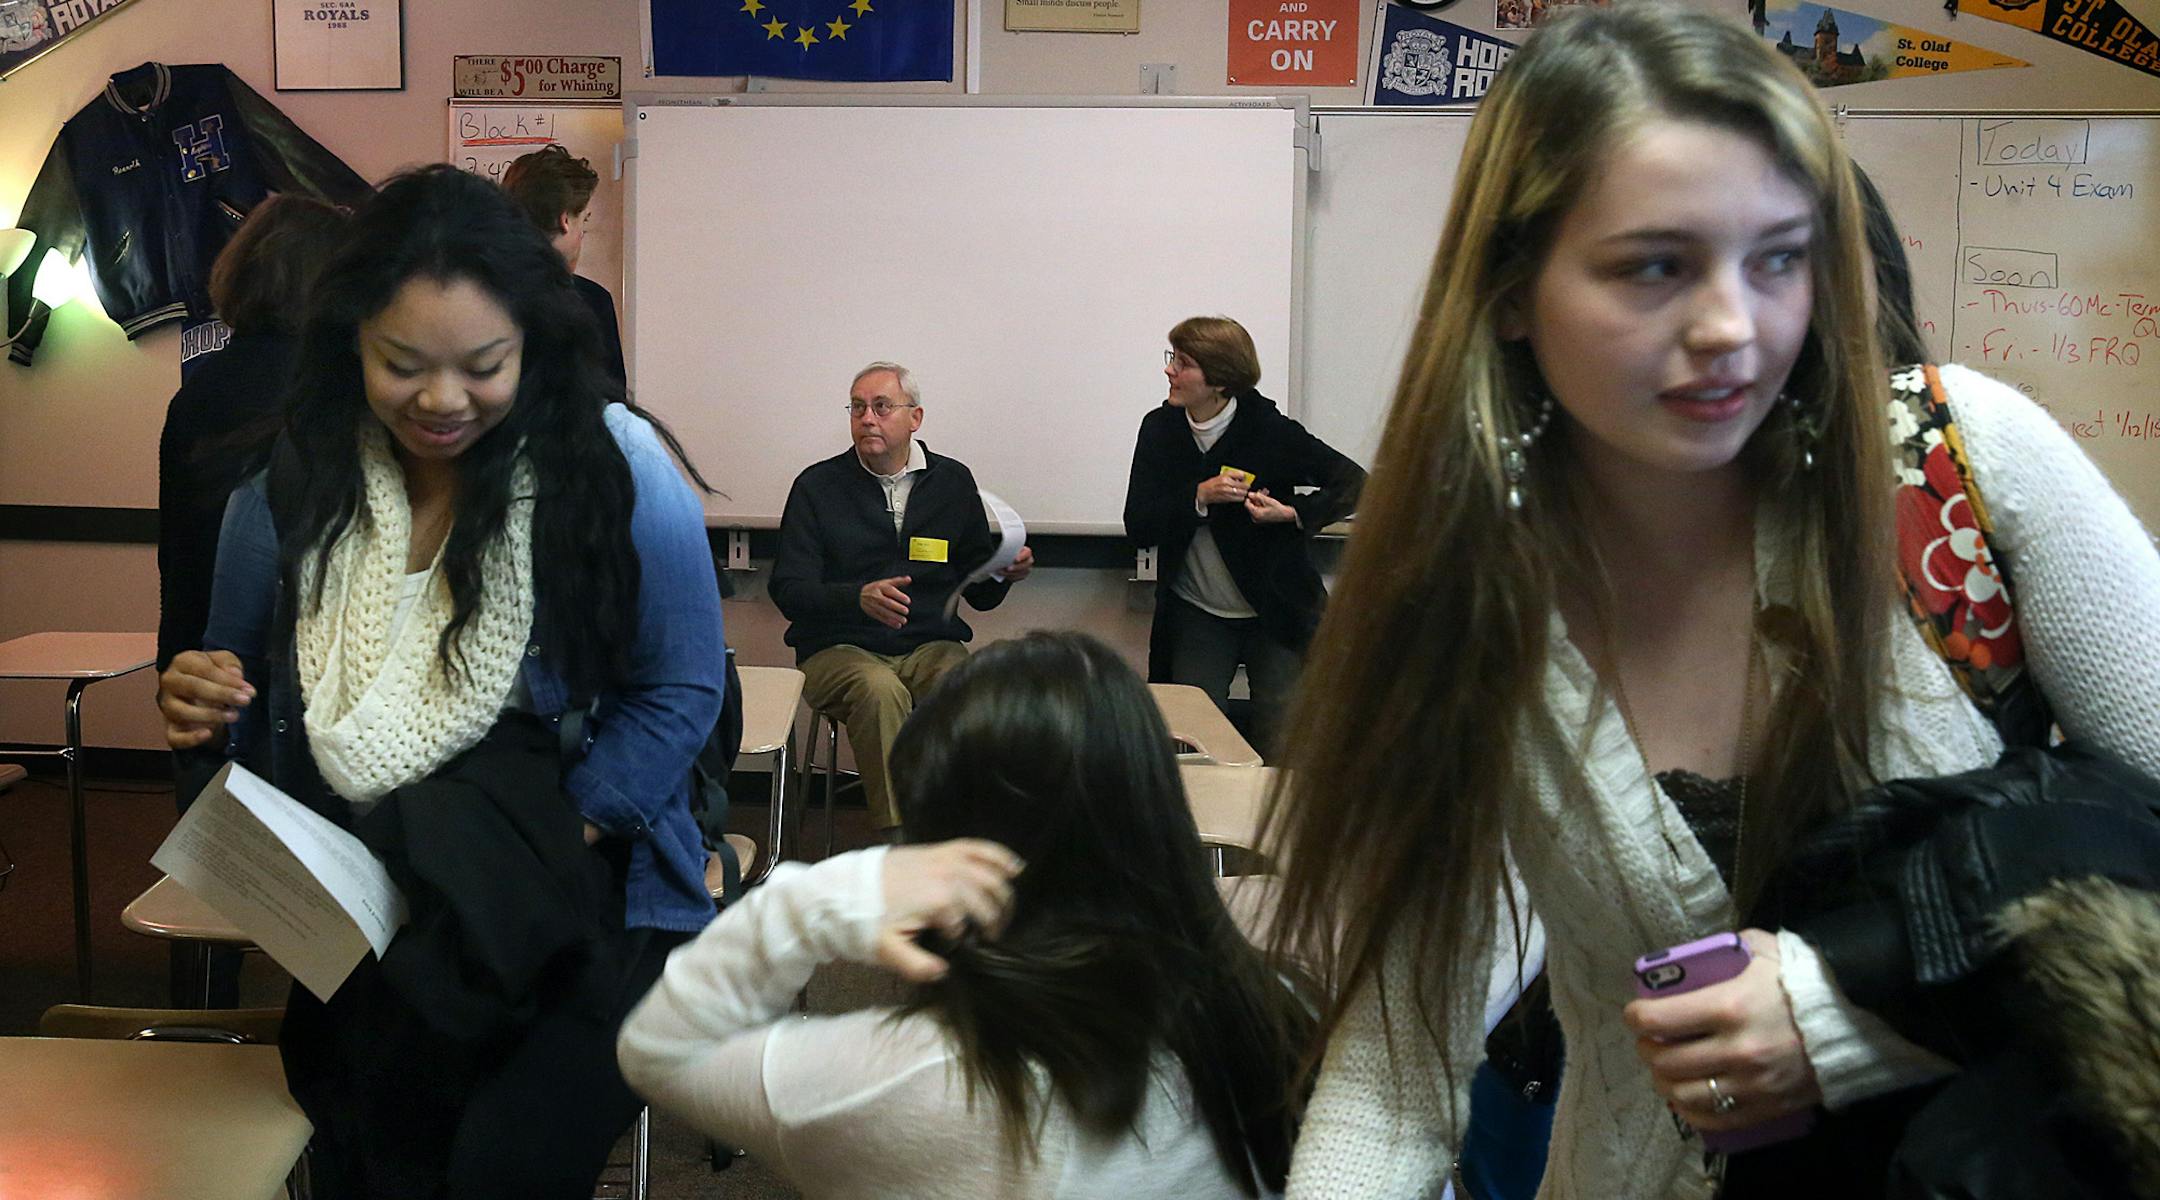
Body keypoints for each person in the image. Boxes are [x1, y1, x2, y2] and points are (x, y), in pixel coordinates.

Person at [1261, 6, 2160, 1198]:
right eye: (1654, 266)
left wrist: (1866, 1012)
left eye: (1780, 256)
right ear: (1512, 291)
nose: (1734, 326)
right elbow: (1392, 1073)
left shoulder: (1954, 471)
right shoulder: (1466, 604)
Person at [156, 165, 727, 1198]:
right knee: (369, 1163)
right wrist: (199, 702)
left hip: (576, 904)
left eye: (483, 365)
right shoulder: (293, 483)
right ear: (351, 343)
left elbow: (681, 691)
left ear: (531, 343)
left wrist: (536, 842)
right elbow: (240, 703)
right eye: (403, 363)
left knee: (496, 1171)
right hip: (376, 912)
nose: (442, 399)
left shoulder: (613, 467)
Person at [618, 631, 1310, 1198]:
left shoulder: (892, 1080)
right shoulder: (1269, 1013)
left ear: (938, 843)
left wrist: (823, 894)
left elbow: (659, 1047)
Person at [768, 361, 1033, 831]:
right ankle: (903, 837)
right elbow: (788, 589)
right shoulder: (817, 486)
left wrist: (1003, 573)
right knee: (880, 689)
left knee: (963, 681)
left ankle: (963, 827)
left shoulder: (952, 482)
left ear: (915, 418)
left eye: (882, 406)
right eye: (857, 408)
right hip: (838, 650)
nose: (867, 418)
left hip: (931, 645)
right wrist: (856, 598)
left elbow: (978, 592)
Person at [1122, 316, 1364, 755]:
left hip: (1276, 611)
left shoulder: (1270, 431)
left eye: (1184, 362)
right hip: (1196, 612)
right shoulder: (1160, 431)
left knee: (1285, 737)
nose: (1169, 370)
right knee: (1193, 740)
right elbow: (1139, 522)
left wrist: (1292, 513)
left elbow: (1355, 483)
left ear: (1220, 380)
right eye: (1172, 358)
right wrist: (1197, 496)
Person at [157, 194, 348, 675]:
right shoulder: (337, 387)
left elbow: (178, 552)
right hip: (302, 659)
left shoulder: (195, 394)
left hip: (203, 660)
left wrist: (174, 666)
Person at [501, 144, 624, 383]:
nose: (584, 232)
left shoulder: (482, 292)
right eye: (584, 219)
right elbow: (611, 402)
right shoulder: (591, 301)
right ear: (565, 220)